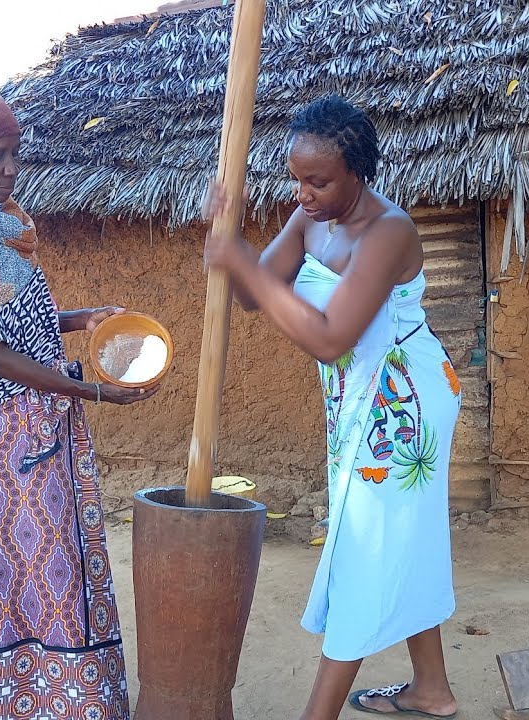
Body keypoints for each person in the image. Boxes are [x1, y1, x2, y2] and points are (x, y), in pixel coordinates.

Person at [204, 95, 462, 719]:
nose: (304, 193)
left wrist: (243, 261)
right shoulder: (309, 220)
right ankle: (432, 690)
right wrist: (230, 238)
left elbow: (329, 337)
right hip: (356, 400)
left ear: (357, 171)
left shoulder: (389, 232)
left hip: (402, 404)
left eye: (318, 180)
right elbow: (249, 298)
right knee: (400, 535)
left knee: (366, 545)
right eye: (296, 178)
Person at [0, 89, 156, 720]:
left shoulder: (2, 227)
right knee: (27, 566)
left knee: (64, 560)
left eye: (14, 155)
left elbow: (19, 324)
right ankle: (30, 702)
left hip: (39, 417)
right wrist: (92, 390)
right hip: (4, 428)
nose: (8, 169)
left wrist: (83, 319)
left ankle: (78, 702)